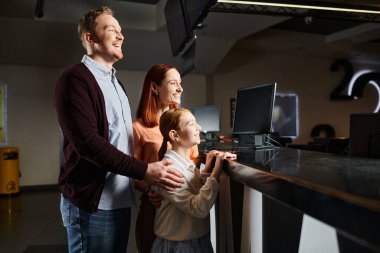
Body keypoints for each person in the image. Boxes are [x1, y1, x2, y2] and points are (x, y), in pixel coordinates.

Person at [54, 7, 184, 253]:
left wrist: (145, 182)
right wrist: (145, 170)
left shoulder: (116, 83)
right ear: (90, 39)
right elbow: (88, 144)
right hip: (93, 205)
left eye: (121, 31)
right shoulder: (74, 80)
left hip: (119, 202)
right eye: (112, 30)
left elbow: (120, 145)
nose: (121, 36)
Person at [133, 63, 199, 253]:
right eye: (173, 83)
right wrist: (148, 190)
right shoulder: (138, 128)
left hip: (185, 209)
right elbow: (133, 170)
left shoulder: (184, 122)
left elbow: (194, 160)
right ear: (155, 87)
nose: (180, 88)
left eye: (180, 83)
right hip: (154, 208)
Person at [151, 108, 236, 253]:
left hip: (197, 241)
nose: (199, 127)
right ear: (174, 135)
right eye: (191, 124)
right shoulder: (170, 170)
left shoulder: (185, 163)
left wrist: (207, 170)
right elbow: (197, 208)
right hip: (178, 246)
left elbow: (192, 188)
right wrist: (216, 171)